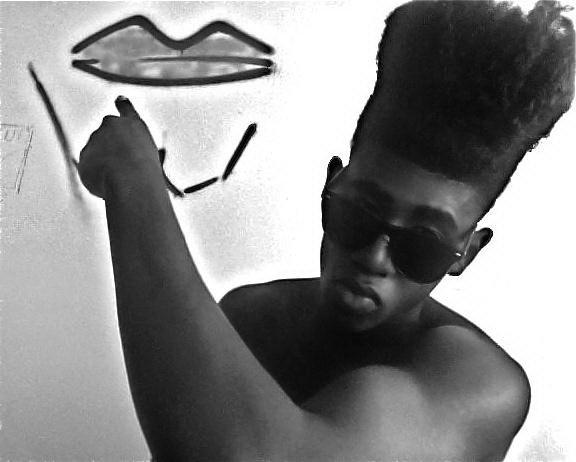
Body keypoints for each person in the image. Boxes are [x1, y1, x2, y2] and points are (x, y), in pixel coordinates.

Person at [78, 1, 574, 460]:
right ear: (329, 190)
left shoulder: (481, 385)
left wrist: (134, 185)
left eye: (421, 245)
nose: (375, 258)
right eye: (357, 215)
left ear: (466, 252)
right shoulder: (248, 315)